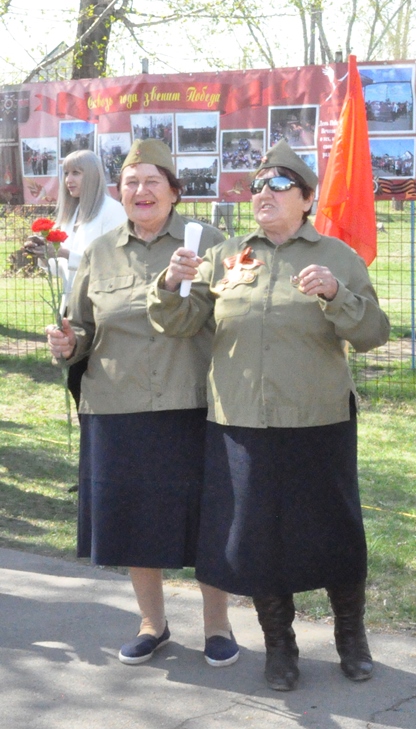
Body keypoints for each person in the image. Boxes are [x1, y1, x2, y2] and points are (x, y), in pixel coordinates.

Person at [148, 141, 390, 692]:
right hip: (240, 421)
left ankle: (351, 637)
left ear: (306, 199)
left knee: (335, 533)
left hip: (317, 419)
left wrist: (335, 295)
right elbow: (181, 323)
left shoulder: (337, 256)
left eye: (279, 185)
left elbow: (374, 333)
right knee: (255, 538)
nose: (263, 194)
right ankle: (279, 645)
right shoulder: (227, 255)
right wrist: (167, 285)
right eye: (257, 185)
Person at [44, 139, 234, 668]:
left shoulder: (210, 243)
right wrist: (67, 343)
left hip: (190, 403)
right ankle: (153, 623)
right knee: (133, 519)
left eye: (153, 181)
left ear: (175, 191)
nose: (141, 191)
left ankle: (217, 625)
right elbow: (81, 324)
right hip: (116, 405)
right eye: (131, 182)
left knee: (204, 519)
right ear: (120, 194)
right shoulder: (99, 251)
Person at [24, 149, 127, 312]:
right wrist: (44, 254)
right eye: (66, 173)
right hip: (70, 309)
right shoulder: (72, 213)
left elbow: (114, 267)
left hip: (101, 310)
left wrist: (64, 253)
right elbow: (62, 271)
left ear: (92, 176)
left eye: (76, 173)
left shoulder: (113, 211)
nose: (68, 180)